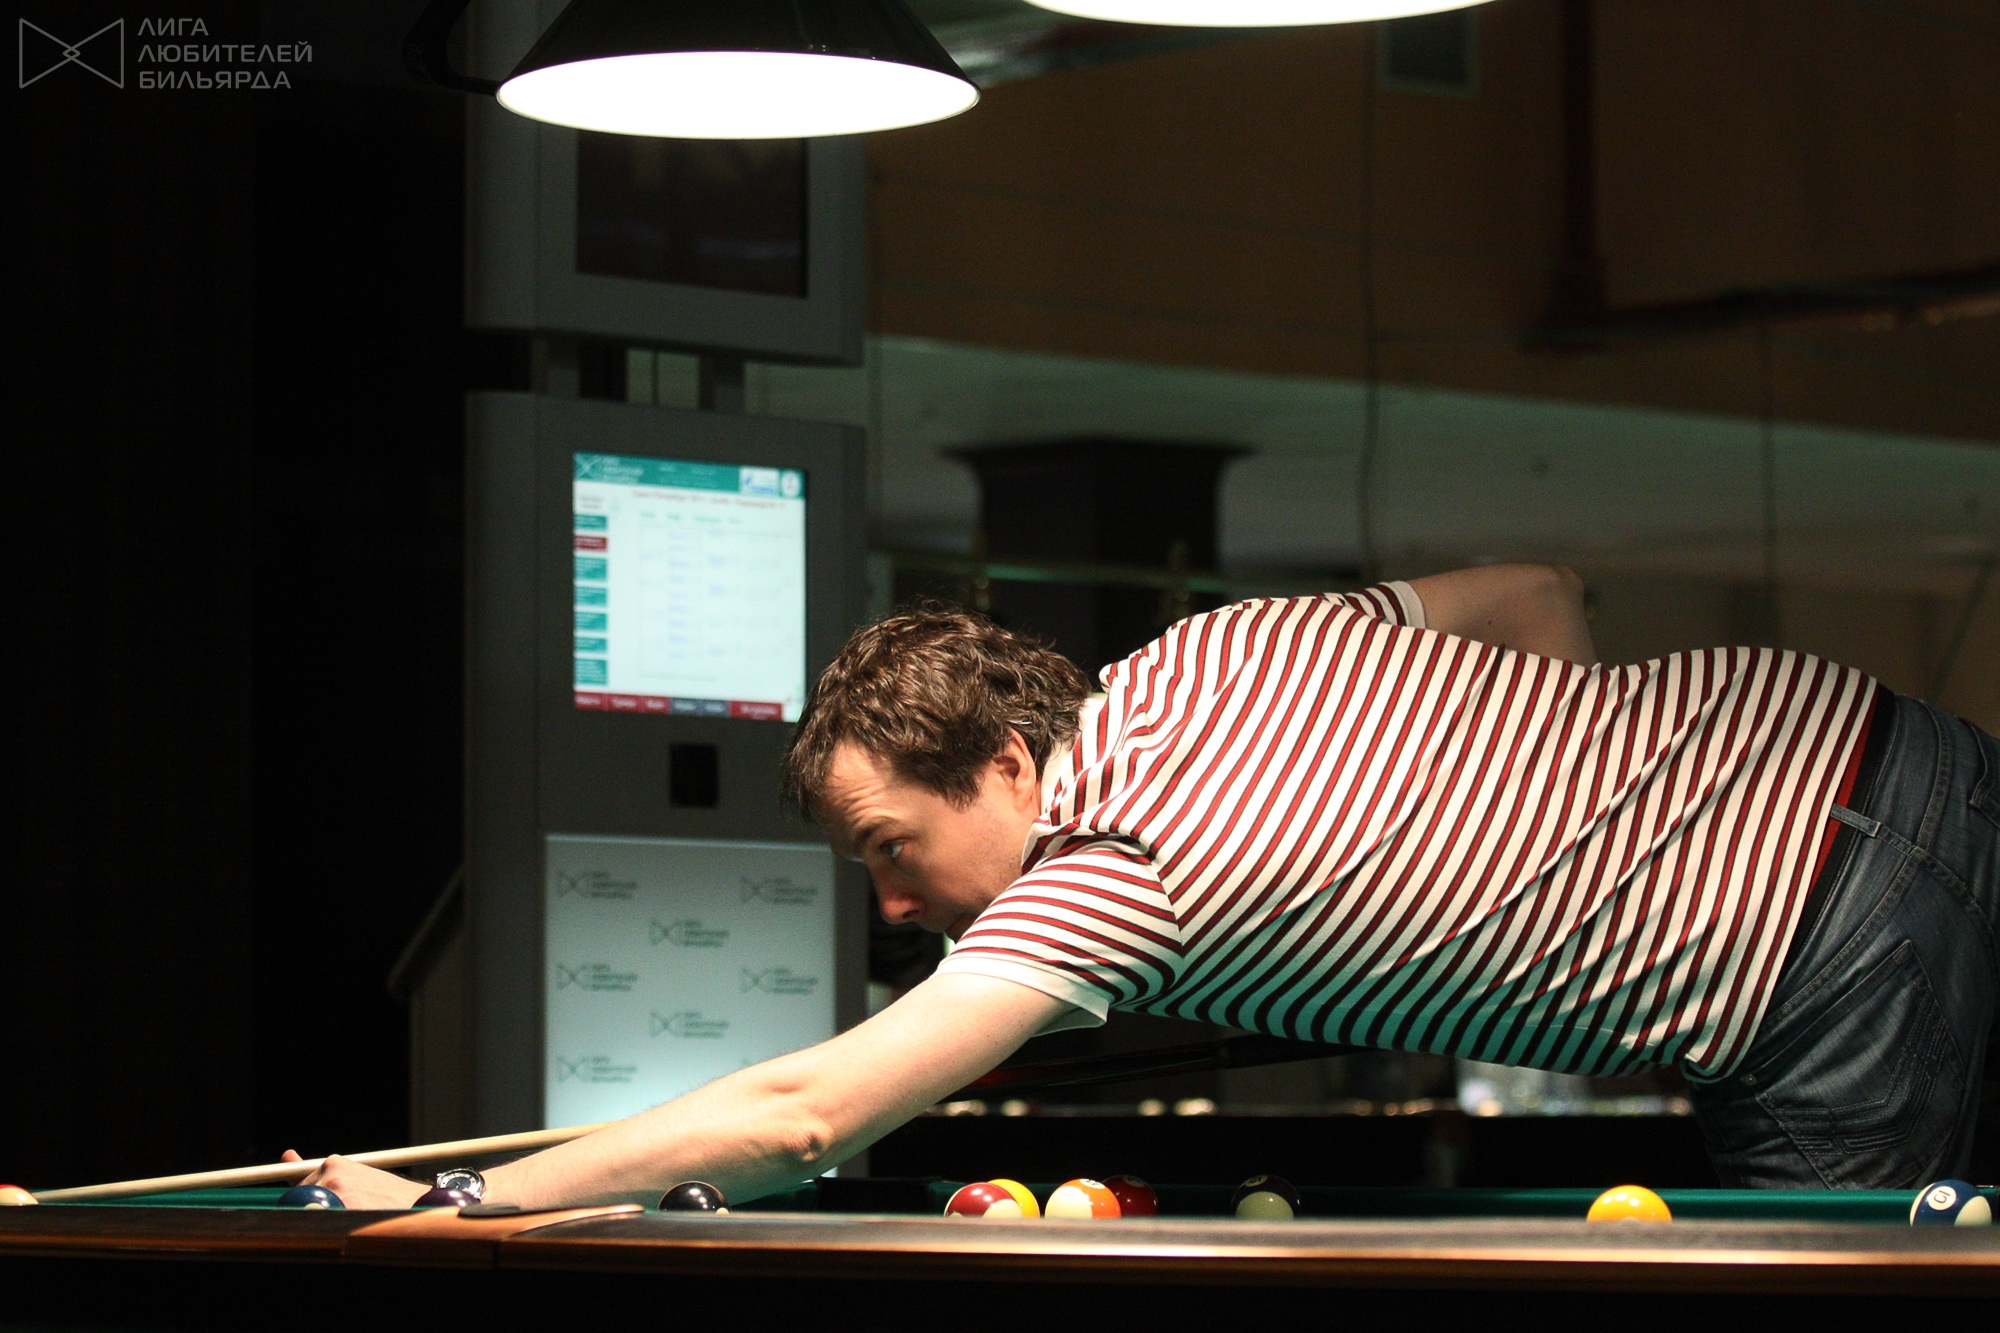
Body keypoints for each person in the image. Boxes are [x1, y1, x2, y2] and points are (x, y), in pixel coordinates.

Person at [299, 565, 1999, 1204]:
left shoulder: (1108, 878)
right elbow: (1539, 597)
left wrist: (462, 1195)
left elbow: (808, 1111)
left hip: (1823, 969)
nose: (891, 905)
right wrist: (1562, 817)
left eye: (891, 847)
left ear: (1009, 765)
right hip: (1914, 750)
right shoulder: (1213, 645)